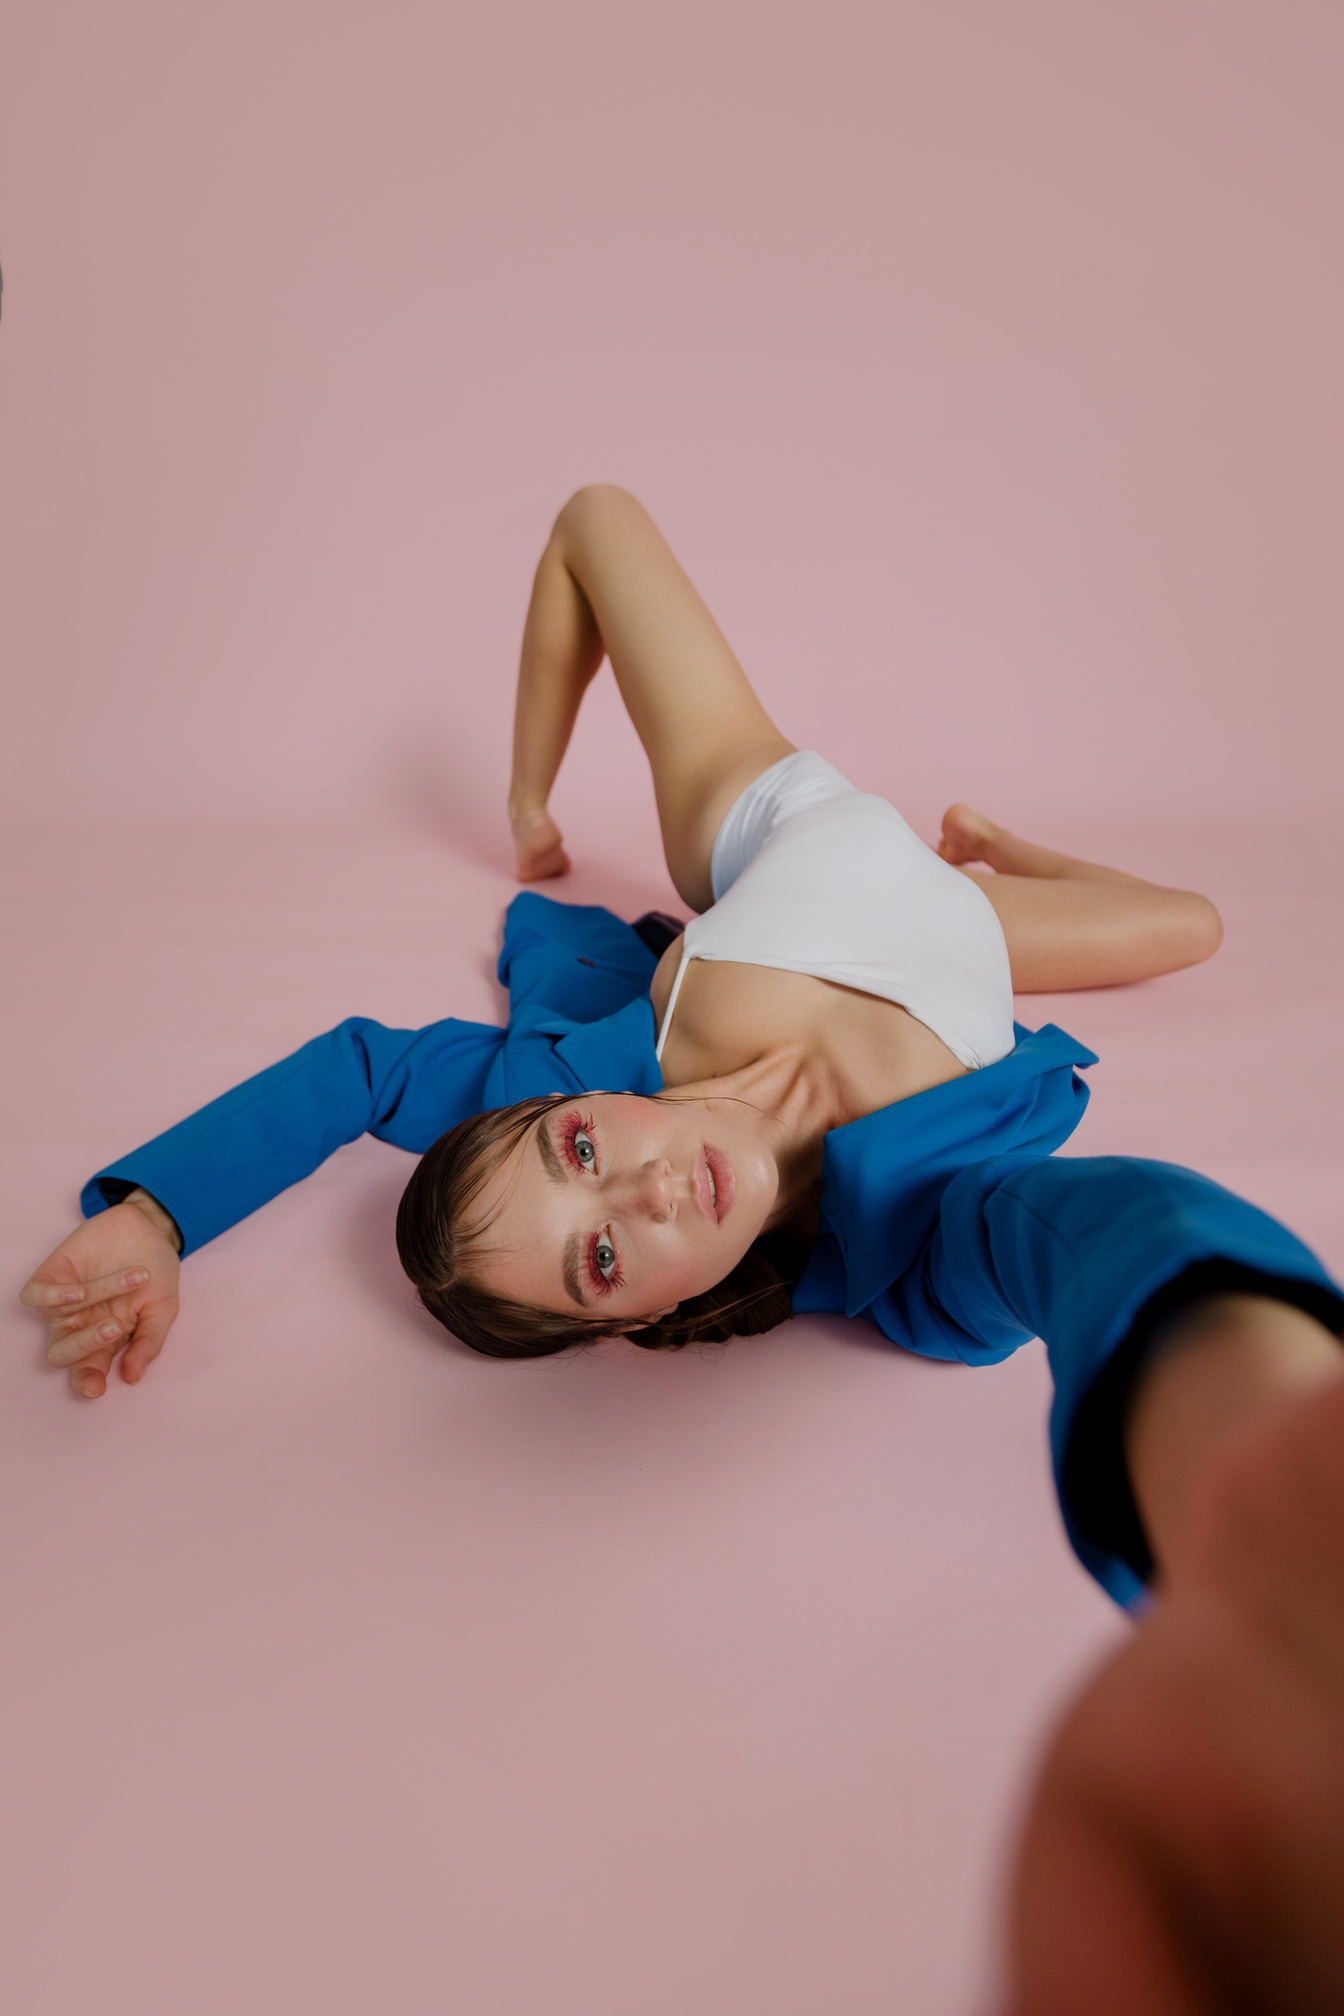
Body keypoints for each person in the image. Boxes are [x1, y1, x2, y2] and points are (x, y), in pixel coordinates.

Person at [20, 486, 1343, 1620]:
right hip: (970, 939)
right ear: (645, 1320)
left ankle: (530, 802)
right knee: (1196, 924)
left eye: (581, 1150)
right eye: (602, 1257)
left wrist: (156, 1214)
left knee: (598, 517)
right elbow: (1081, 1234)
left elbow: (363, 1066)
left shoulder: (579, 1064)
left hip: (777, 820)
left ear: (580, 1100)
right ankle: (1006, 860)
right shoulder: (931, 1231)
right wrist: (1216, 1350)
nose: (642, 1192)